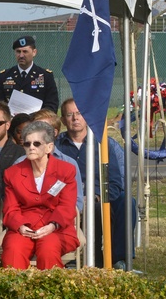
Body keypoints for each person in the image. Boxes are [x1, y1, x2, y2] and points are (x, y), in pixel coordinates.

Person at [55, 98, 134, 267]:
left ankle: (119, 259)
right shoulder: (57, 147)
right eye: (70, 114)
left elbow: (114, 182)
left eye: (79, 113)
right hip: (67, 201)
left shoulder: (102, 145)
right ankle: (88, 260)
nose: (75, 118)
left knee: (126, 202)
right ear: (63, 120)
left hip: (99, 198)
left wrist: (97, 196)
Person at [1, 120, 79, 269]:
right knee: (13, 250)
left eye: (36, 144)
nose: (31, 147)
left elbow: (67, 206)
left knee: (48, 249)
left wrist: (52, 226)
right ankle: (15, 292)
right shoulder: (12, 173)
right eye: (27, 144)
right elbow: (11, 208)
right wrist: (21, 227)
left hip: (57, 226)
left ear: (49, 147)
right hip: (25, 226)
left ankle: (50, 292)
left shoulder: (66, 170)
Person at [0, 35, 59, 113]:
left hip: (36, 123)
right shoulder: (5, 76)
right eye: (18, 51)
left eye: (25, 51)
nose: (21, 55)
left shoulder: (46, 76)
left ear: (34, 52)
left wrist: (34, 117)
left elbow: (52, 105)